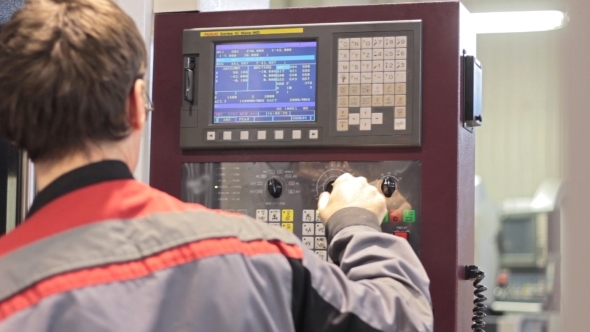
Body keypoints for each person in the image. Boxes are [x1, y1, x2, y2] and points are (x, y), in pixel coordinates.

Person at [0, 0, 433, 331]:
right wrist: (355, 225)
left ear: (12, 128)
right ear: (135, 105)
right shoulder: (254, 256)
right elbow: (404, 319)